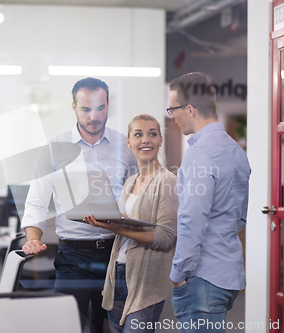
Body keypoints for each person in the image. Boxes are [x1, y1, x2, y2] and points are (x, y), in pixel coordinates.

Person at [21, 77, 137, 333]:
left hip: (116, 253)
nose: (93, 116)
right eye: (86, 109)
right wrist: (32, 237)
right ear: (73, 107)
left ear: (108, 105)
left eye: (100, 108)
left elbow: (138, 199)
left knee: (109, 327)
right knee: (68, 325)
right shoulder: (53, 147)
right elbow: (36, 202)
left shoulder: (126, 146)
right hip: (73, 257)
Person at [167, 72, 251, 332]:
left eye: (172, 109)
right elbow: (239, 217)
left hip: (202, 277)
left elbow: (192, 219)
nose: (172, 117)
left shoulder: (199, 153)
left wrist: (178, 275)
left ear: (190, 109)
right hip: (228, 272)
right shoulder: (236, 150)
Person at [85, 114, 178, 333]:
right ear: (129, 142)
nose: (145, 140)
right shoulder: (130, 182)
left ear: (160, 141)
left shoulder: (167, 181)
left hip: (145, 278)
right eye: (138, 134)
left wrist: (118, 228)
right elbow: (128, 223)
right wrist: (106, 221)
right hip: (118, 272)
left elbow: (166, 238)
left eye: (152, 134)